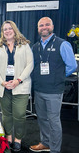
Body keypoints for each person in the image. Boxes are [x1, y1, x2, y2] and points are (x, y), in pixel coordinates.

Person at [30, 17, 77, 153]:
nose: (44, 27)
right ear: (38, 28)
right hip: (39, 89)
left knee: (54, 121)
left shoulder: (62, 44)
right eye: (41, 25)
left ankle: (55, 149)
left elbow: (72, 65)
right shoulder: (36, 46)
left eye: (47, 25)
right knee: (42, 119)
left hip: (54, 91)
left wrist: (59, 76)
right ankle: (45, 143)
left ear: (52, 26)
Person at [0, 20, 34, 152]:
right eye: (5, 29)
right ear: (2, 32)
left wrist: (18, 80)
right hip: (3, 87)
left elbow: (30, 65)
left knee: (19, 114)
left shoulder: (24, 46)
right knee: (6, 114)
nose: (7, 31)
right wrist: (2, 82)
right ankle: (8, 137)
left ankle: (18, 139)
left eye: (9, 28)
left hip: (20, 86)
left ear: (14, 30)